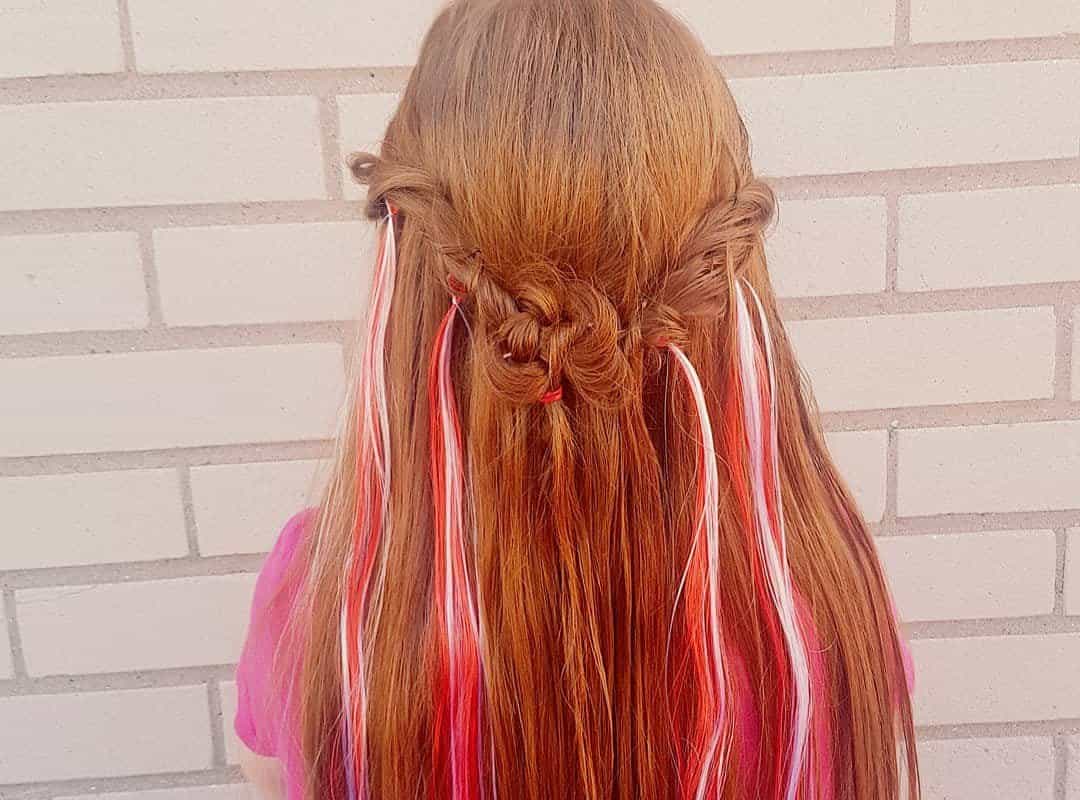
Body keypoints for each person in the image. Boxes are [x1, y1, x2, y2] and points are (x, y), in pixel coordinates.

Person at [234, 1, 918, 798]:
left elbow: (271, 778)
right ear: (732, 276)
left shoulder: (330, 608)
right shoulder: (819, 610)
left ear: (406, 267)